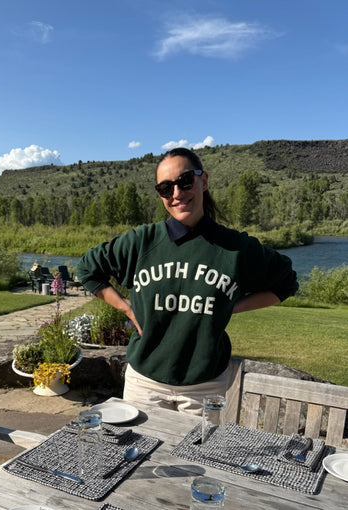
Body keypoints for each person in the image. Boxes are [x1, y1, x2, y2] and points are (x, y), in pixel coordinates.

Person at [76, 147, 298, 414]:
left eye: (185, 181)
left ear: (203, 180)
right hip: (144, 383)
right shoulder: (142, 242)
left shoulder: (235, 248)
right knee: (141, 454)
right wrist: (126, 307)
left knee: (197, 456)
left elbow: (285, 283)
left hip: (205, 387)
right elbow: (88, 269)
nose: (177, 194)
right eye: (165, 188)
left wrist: (229, 306)